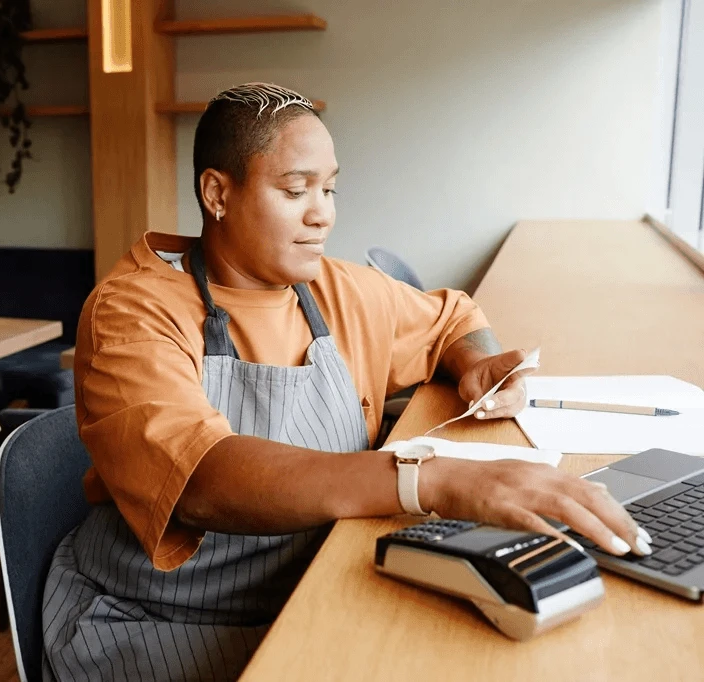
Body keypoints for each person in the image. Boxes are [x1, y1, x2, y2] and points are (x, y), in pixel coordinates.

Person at [42, 83, 652, 681]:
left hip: (310, 579)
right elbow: (202, 480)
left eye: (330, 188)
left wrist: (479, 362)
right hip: (161, 618)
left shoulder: (337, 291)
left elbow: (455, 318)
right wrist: (433, 480)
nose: (323, 213)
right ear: (216, 194)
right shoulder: (133, 313)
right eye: (295, 189)